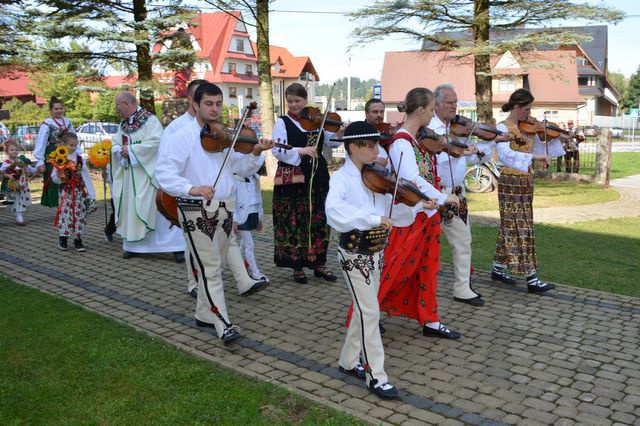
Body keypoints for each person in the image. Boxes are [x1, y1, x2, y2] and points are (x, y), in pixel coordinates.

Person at [155, 83, 273, 345]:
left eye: (219, 104)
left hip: (225, 208)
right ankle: (223, 322)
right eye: (209, 103)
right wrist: (190, 188)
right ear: (195, 104)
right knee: (210, 270)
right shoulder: (181, 136)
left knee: (215, 266)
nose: (215, 109)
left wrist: (255, 153)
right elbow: (163, 173)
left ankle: (203, 314)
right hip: (195, 209)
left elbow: (240, 169)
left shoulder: (223, 136)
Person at [377, 87, 462, 339]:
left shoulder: (414, 140)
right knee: (394, 268)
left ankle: (430, 320)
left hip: (426, 215)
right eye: (432, 107)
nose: (434, 112)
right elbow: (410, 179)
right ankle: (365, 313)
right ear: (421, 109)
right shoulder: (401, 142)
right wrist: (443, 196)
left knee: (427, 268)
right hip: (408, 216)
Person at [325, 121, 399, 400]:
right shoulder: (341, 179)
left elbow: (389, 209)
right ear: (353, 147)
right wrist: (372, 219)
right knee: (370, 312)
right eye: (369, 146)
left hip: (376, 251)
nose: (375, 150)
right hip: (355, 254)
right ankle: (376, 376)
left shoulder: (374, 176)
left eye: (376, 145)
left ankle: (347, 360)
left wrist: (417, 202)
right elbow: (334, 212)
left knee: (363, 308)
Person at [430, 84, 503, 307]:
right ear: (436, 104)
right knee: (424, 247)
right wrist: (458, 150)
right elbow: (437, 160)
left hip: (456, 194)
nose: (454, 106)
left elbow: (468, 160)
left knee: (463, 242)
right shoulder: (429, 129)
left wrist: (478, 152)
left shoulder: (456, 129)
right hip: (433, 195)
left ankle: (462, 288)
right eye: (450, 102)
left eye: (455, 102)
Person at [491, 89, 566, 293]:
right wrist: (535, 157)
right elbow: (506, 155)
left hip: (526, 182)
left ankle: (497, 268)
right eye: (526, 109)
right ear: (516, 107)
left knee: (510, 223)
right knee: (522, 225)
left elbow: (541, 151)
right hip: (509, 181)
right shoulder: (502, 127)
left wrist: (550, 138)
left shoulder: (529, 128)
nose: (529, 113)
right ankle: (531, 278)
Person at [271, 83, 344, 284]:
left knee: (319, 220)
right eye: (290, 101)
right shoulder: (282, 122)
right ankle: (297, 266)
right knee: (295, 221)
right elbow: (277, 149)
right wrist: (300, 151)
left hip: (318, 175)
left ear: (305, 101)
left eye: (298, 101)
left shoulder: (317, 119)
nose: (294, 105)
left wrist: (340, 132)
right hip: (294, 178)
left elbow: (333, 142)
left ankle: (319, 264)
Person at [110, 91, 185, 262]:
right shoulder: (123, 124)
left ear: (127, 104)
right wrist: (117, 149)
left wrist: (131, 150)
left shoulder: (150, 120)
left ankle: (174, 247)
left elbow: (158, 142)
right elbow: (115, 142)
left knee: (156, 210)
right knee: (131, 209)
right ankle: (134, 246)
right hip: (130, 176)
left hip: (147, 174)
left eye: (118, 105)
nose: (116, 109)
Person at [50, 133, 96, 251]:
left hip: (79, 192)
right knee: (66, 214)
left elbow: (86, 177)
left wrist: (91, 194)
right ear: (63, 144)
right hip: (66, 192)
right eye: (71, 145)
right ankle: (63, 237)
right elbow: (54, 177)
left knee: (79, 214)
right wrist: (60, 176)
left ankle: (78, 239)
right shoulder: (59, 158)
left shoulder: (80, 159)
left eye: (75, 145)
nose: (73, 147)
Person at [34, 97, 78, 207]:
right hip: (52, 154)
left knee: (68, 176)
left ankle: (67, 201)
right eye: (56, 109)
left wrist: (78, 153)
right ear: (51, 110)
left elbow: (74, 138)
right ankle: (55, 204)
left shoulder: (67, 122)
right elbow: (41, 142)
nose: (59, 111)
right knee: (54, 178)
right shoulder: (47, 124)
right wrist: (40, 161)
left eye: (61, 108)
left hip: (67, 153)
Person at [234, 165, 268, 282]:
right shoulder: (236, 179)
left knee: (244, 243)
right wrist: (234, 220)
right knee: (250, 245)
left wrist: (260, 218)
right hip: (242, 214)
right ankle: (255, 272)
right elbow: (232, 200)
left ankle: (237, 266)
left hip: (253, 212)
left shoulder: (255, 177)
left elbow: (259, 197)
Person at [1, 139, 36, 225]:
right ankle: (19, 217)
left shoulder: (21, 161)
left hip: (23, 185)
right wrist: (9, 176)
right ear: (7, 152)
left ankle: (19, 215)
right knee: (17, 200)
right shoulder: (7, 163)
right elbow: (2, 172)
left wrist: (37, 169)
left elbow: (31, 170)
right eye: (11, 150)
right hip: (13, 185)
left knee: (22, 200)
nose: (14, 151)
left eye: (16, 149)